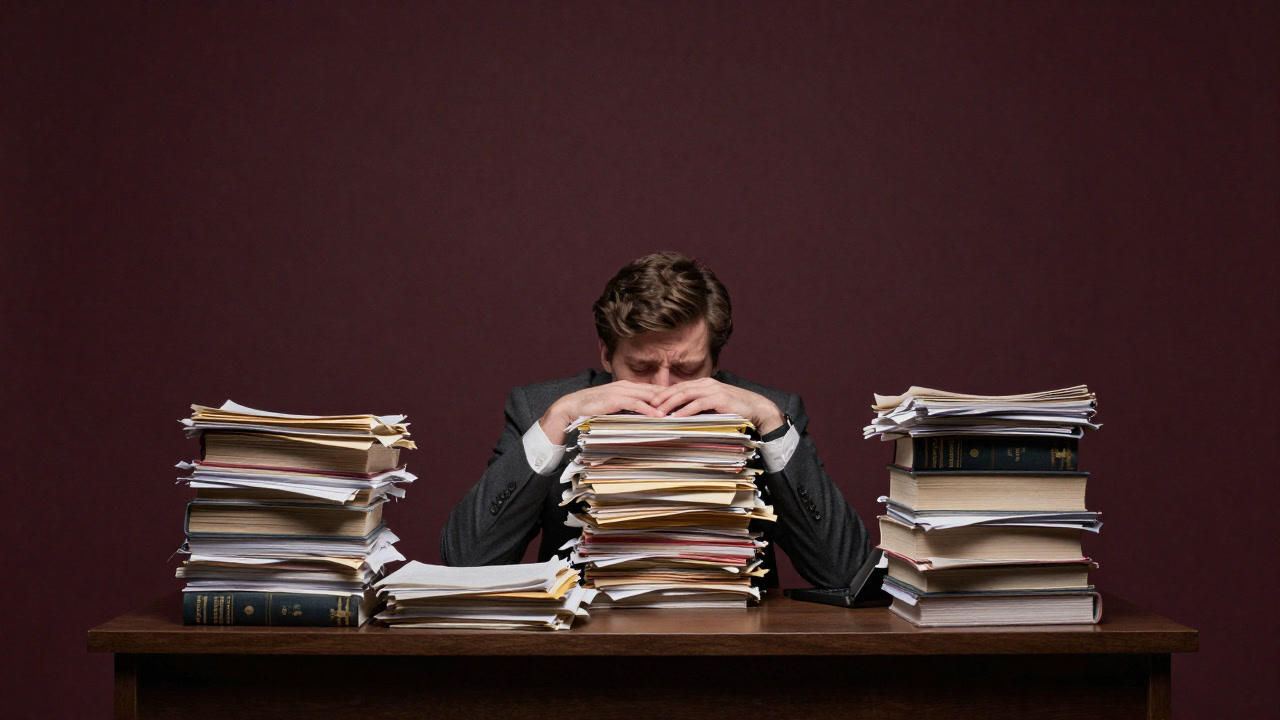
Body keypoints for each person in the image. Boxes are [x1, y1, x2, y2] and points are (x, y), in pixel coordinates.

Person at [440, 251, 870, 589]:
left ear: (716, 361)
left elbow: (844, 571)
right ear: (606, 355)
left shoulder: (772, 412)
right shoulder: (543, 408)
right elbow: (465, 562)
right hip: (582, 657)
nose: (664, 391)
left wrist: (771, 424)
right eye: (641, 368)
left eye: (687, 370)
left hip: (733, 659)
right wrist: (557, 421)